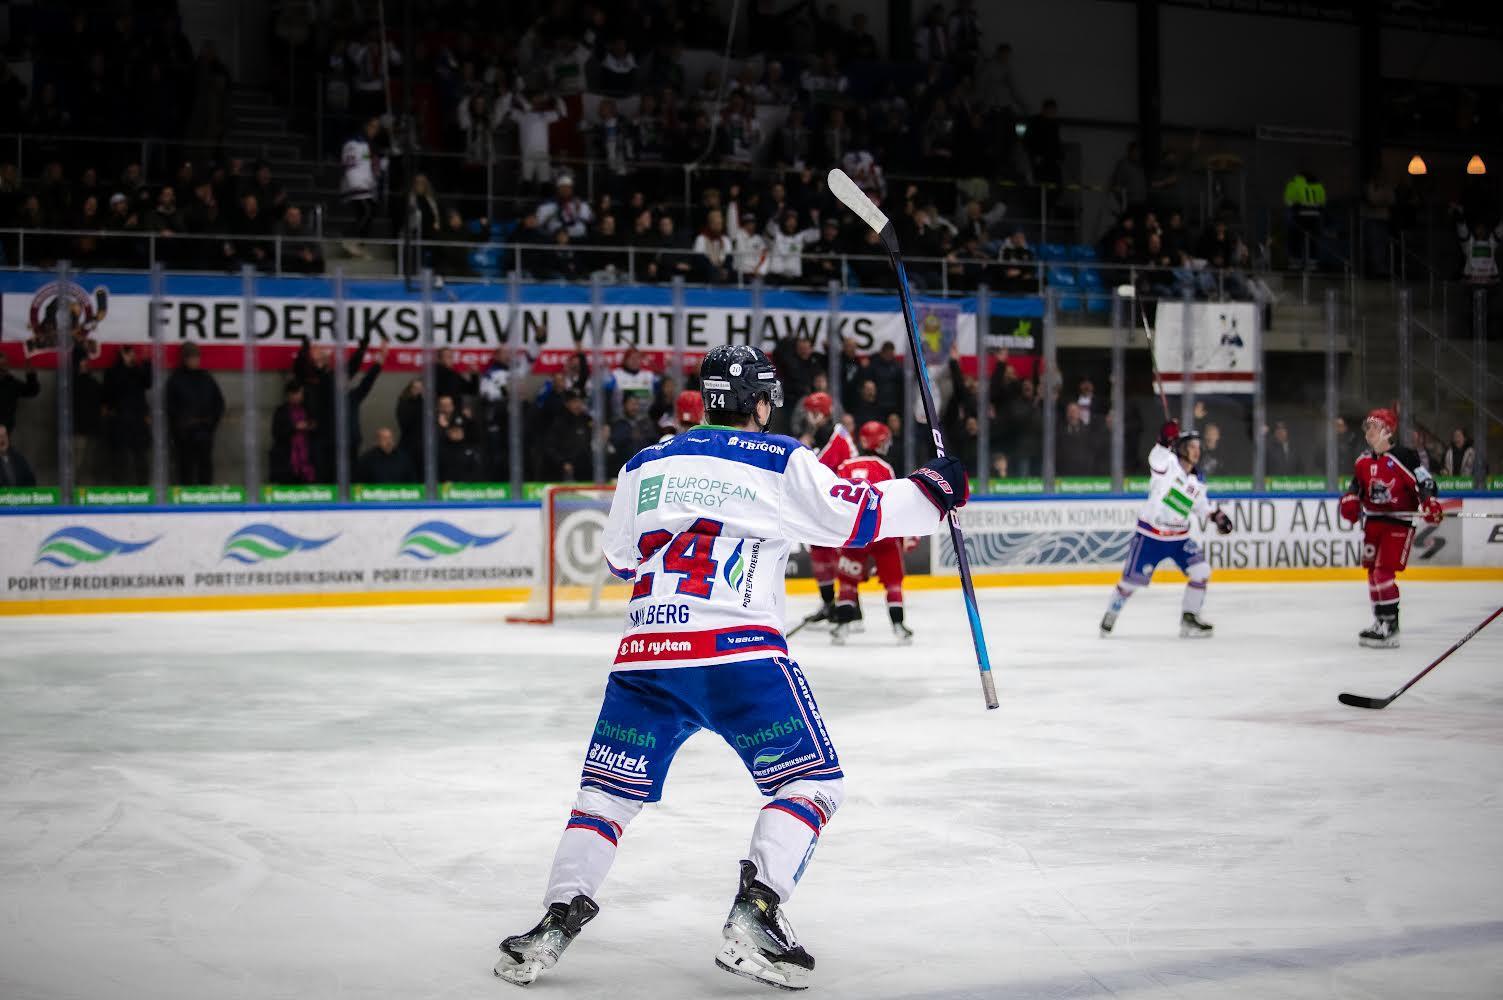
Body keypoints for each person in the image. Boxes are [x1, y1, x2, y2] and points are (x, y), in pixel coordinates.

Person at [492, 344, 968, 990]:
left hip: (646, 656)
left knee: (604, 797)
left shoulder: (643, 464)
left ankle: (551, 922)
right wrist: (935, 490)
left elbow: (620, 563)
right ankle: (757, 911)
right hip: (736, 654)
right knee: (811, 785)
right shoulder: (779, 459)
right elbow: (858, 520)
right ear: (761, 402)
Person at [1100, 421, 1234, 638]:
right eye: (1192, 447)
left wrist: (1216, 516)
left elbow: (1200, 504)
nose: (1196, 451)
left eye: (1199, 447)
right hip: (1150, 537)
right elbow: (1156, 458)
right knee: (1130, 582)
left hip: (1179, 538)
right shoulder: (1168, 464)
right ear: (1181, 448)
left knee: (1201, 571)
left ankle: (1189, 618)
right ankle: (1111, 613)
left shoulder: (1197, 479)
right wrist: (1163, 440)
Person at [1337, 408, 1444, 648]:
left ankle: (1391, 626)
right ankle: (1379, 622)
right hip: (1374, 522)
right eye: (1368, 427)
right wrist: (1350, 500)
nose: (1368, 432)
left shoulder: (1405, 456)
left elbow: (1424, 482)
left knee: (1384, 573)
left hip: (1398, 523)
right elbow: (1356, 488)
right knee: (1372, 574)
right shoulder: (1363, 460)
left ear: (1387, 430)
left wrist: (1429, 501)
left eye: (1374, 427)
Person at [831, 421, 915, 645]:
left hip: (855, 531)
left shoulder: (845, 466)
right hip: (882, 530)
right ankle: (898, 626)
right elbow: (892, 502)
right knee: (893, 581)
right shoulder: (884, 467)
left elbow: (837, 501)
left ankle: (842, 627)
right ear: (879, 442)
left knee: (848, 581)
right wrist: (904, 534)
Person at [794, 391, 856, 625]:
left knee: (843, 556)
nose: (808, 416)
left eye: (811, 412)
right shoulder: (823, 433)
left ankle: (853, 607)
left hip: (841, 504)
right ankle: (829, 604)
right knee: (820, 553)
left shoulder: (836, 437)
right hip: (825, 503)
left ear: (821, 413)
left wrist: (804, 451)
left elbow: (819, 466)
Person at [165, 343, 224, 485]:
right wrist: (180, 428)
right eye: (191, 358)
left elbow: (219, 403)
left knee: (205, 466)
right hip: (184, 434)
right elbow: (170, 407)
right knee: (186, 467)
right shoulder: (175, 379)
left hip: (204, 431)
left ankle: (206, 497)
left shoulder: (207, 378)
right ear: (184, 359)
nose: (195, 361)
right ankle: (187, 498)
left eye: (197, 358)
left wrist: (210, 425)